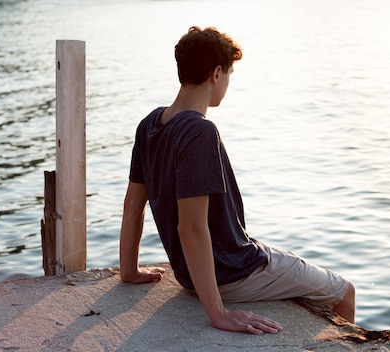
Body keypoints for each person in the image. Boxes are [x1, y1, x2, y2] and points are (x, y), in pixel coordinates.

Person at [119, 26, 355, 335]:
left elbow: (133, 204)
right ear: (217, 73)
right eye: (229, 75)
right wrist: (218, 313)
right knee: (343, 291)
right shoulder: (199, 132)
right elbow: (190, 228)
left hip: (189, 273)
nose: (227, 84)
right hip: (233, 271)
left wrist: (129, 271)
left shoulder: (150, 125)